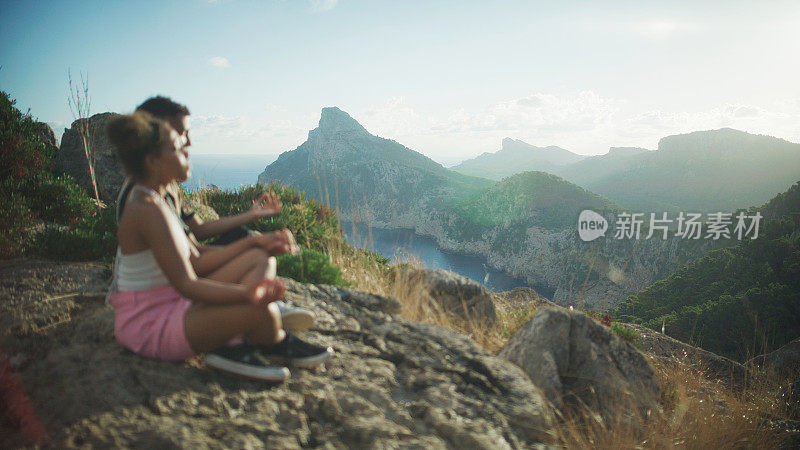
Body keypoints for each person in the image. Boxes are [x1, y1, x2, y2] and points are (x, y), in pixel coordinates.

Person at [105, 111, 333, 381]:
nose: (187, 152)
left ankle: (257, 337)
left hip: (172, 303)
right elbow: (187, 283)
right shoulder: (145, 208)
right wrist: (248, 295)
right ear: (152, 161)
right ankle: (252, 342)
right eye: (177, 148)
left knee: (261, 264)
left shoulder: (158, 199)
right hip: (149, 323)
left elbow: (197, 257)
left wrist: (257, 241)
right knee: (261, 311)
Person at [115, 96, 314, 332]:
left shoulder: (165, 188)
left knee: (245, 238)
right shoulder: (143, 200)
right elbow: (193, 262)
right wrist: (253, 245)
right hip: (165, 292)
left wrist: (251, 216)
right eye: (180, 133)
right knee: (252, 247)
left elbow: (197, 230)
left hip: (176, 278)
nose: (187, 141)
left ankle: (255, 306)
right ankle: (249, 311)